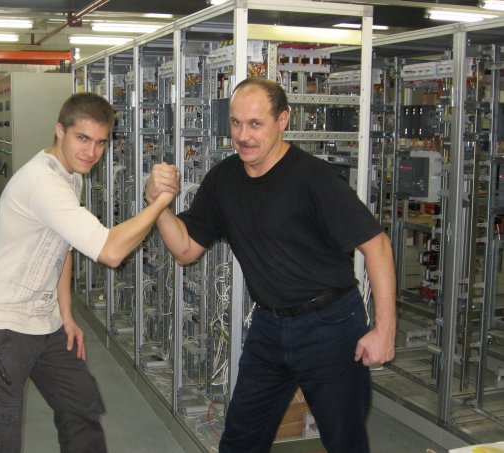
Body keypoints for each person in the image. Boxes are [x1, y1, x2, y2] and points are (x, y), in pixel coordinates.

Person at [145, 78, 396, 453]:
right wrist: (157, 204)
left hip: (330, 326)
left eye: (255, 124)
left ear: (282, 120)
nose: (243, 136)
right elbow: (185, 250)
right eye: (236, 123)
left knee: (345, 441)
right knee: (240, 440)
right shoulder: (224, 179)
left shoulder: (314, 177)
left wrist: (384, 329)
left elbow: (377, 245)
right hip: (269, 326)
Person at [0, 92, 179, 453]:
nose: (91, 152)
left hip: (46, 322)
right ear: (60, 130)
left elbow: (62, 249)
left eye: (100, 142)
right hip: (4, 327)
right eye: (82, 138)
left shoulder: (70, 175)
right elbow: (110, 251)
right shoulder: (44, 183)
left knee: (81, 405)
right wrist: (160, 201)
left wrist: (66, 315)